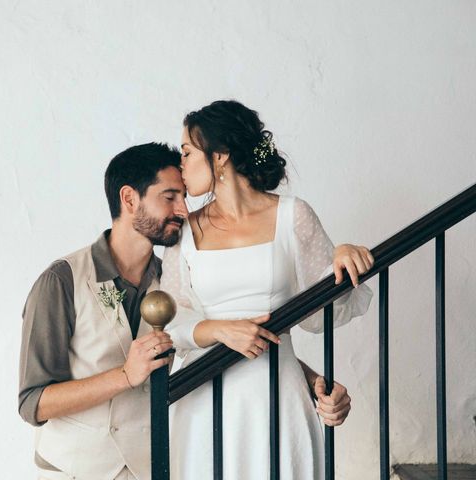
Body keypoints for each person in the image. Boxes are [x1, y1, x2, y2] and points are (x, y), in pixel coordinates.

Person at [19, 142, 355, 480]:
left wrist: (312, 381)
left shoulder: (173, 280)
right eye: (169, 197)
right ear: (130, 199)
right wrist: (124, 375)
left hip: (152, 466)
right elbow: (33, 402)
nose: (183, 210)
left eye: (184, 197)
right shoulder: (61, 281)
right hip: (76, 470)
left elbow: (238, 338)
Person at [160, 100, 374, 480]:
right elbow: (170, 319)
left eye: (188, 152)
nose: (181, 164)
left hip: (278, 396)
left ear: (220, 155)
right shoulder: (185, 232)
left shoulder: (294, 215)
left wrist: (341, 257)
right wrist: (221, 329)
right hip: (203, 398)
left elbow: (324, 310)